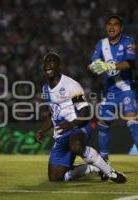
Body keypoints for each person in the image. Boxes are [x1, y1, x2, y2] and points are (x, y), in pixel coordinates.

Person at [36, 52, 126, 183]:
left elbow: (85, 111)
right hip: (61, 134)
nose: (47, 64)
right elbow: (53, 114)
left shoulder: (70, 84)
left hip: (78, 127)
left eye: (51, 61)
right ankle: (95, 168)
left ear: (58, 65)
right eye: (45, 62)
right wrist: (43, 130)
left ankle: (111, 173)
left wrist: (71, 124)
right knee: (55, 178)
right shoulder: (45, 89)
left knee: (76, 146)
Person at [88, 15, 138, 172]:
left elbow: (129, 64)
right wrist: (94, 67)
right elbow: (93, 63)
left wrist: (109, 66)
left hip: (126, 89)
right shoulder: (101, 44)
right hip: (109, 92)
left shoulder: (128, 41)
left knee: (132, 122)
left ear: (121, 28)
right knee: (103, 124)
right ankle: (104, 161)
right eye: (109, 24)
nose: (112, 27)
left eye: (115, 24)